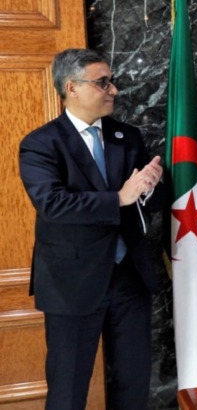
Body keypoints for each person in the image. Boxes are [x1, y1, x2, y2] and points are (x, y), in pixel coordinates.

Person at [19, 48, 165, 408]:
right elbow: (53, 204)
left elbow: (153, 195)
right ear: (72, 88)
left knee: (134, 384)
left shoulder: (126, 136)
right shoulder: (40, 144)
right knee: (68, 391)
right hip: (72, 283)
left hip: (128, 278)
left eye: (111, 81)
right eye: (103, 83)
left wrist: (150, 187)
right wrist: (119, 198)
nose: (113, 90)